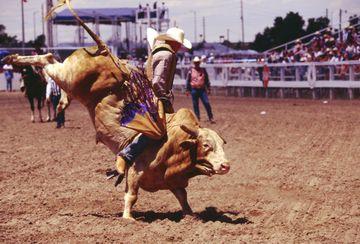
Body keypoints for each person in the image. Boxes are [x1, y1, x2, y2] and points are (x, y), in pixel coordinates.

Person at [110, 27, 192, 184]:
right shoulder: (167, 54)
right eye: (178, 44)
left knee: (159, 130)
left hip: (147, 94)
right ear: (173, 42)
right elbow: (157, 81)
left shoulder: (159, 52)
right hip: (155, 97)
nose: (179, 47)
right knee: (157, 131)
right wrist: (164, 97)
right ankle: (127, 155)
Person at [186, 56, 214, 123]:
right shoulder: (190, 71)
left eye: (198, 62)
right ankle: (197, 118)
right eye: (196, 63)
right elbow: (188, 80)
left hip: (202, 89)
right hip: (194, 89)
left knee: (206, 103)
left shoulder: (203, 70)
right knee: (195, 104)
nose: (197, 64)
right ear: (194, 63)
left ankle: (211, 117)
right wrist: (187, 89)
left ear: (199, 63)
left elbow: (206, 79)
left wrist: (209, 87)